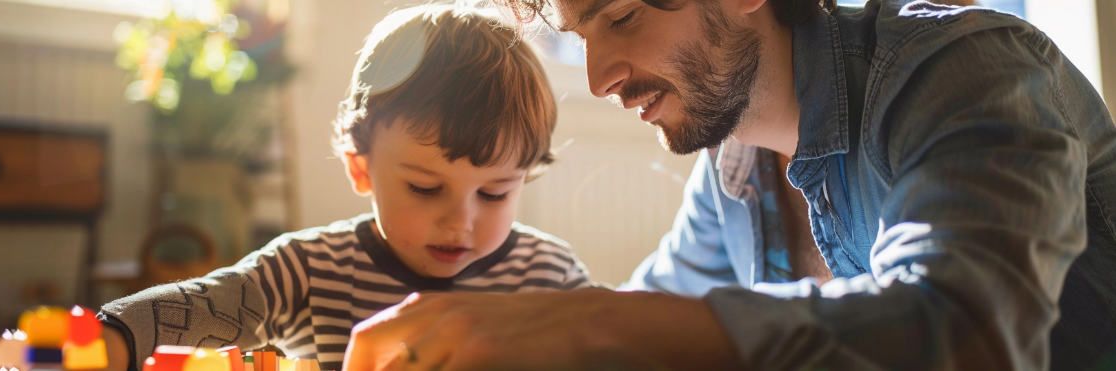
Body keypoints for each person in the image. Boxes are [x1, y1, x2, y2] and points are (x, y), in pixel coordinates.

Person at [342, 0, 1116, 370]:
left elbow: (967, 331)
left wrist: (583, 324)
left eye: (622, 17)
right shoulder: (733, 169)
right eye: (582, 37)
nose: (604, 77)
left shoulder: (970, 72)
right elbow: (659, 315)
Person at [0, 5, 596, 371]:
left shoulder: (548, 277)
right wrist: (93, 342)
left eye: (494, 194)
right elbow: (199, 309)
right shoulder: (308, 270)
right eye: (426, 188)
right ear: (361, 168)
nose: (461, 222)